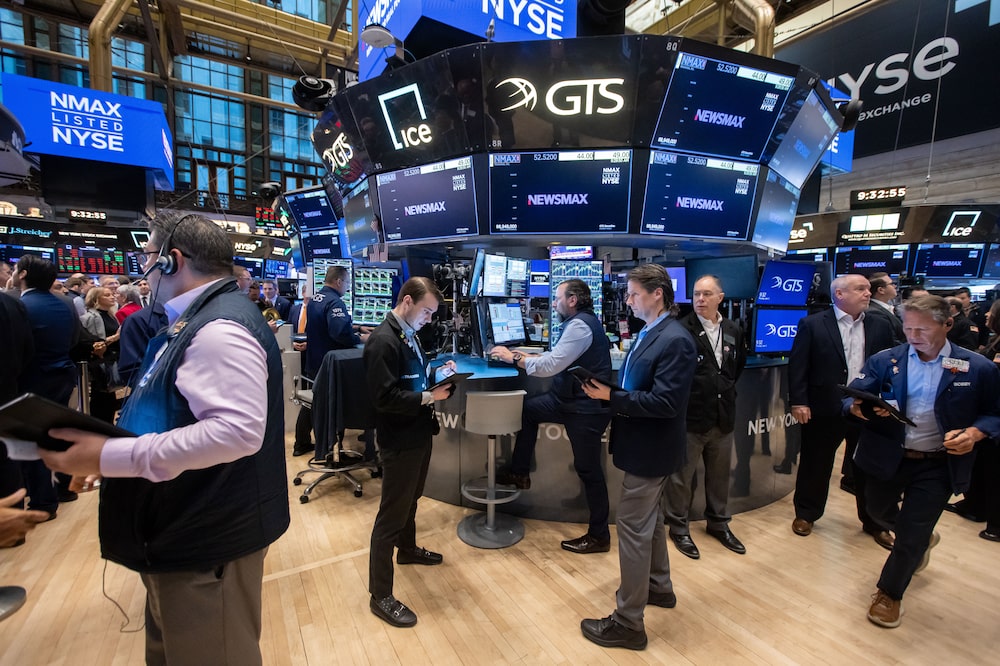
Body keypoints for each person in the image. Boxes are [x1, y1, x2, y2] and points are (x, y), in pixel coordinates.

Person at [40, 211, 290, 664]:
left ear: (172, 261)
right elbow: (174, 412)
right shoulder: (197, 319)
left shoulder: (219, 329)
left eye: (148, 258)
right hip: (182, 533)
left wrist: (116, 455)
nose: (144, 269)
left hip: (206, 539)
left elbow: (236, 432)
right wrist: (105, 458)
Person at [844, 295, 1000, 628]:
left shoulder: (978, 367)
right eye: (908, 327)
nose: (913, 335)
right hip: (888, 456)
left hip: (938, 463)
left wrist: (975, 433)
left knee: (911, 534)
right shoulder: (885, 360)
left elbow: (994, 414)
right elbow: (854, 396)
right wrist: (856, 407)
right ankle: (920, 538)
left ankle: (890, 593)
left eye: (922, 329)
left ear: (947, 325)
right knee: (876, 511)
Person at [578, 264, 697, 651]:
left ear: (657, 293)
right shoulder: (652, 332)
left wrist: (610, 397)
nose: (627, 300)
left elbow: (666, 402)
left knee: (631, 528)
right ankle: (658, 587)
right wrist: (612, 391)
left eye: (632, 293)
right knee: (652, 521)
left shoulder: (675, 339)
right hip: (645, 445)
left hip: (652, 449)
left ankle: (629, 622)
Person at [491, 279, 613, 554]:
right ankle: (520, 473)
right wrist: (527, 356)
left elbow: (550, 366)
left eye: (558, 298)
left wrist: (514, 358)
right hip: (566, 401)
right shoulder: (578, 323)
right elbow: (559, 357)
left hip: (585, 408)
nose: (554, 303)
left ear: (572, 300)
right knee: (529, 410)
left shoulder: (580, 325)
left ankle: (599, 536)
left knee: (589, 470)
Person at [364, 277, 456, 628]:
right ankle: (380, 594)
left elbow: (410, 378)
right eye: (427, 311)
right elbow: (384, 400)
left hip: (417, 433)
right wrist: (432, 397)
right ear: (407, 301)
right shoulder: (382, 341)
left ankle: (409, 549)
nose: (429, 318)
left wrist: (435, 374)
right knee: (392, 513)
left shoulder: (406, 333)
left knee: (412, 499)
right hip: (399, 439)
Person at [787, 274, 897, 547]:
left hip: (867, 407)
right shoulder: (813, 324)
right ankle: (806, 514)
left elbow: (891, 366)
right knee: (816, 463)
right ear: (839, 294)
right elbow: (799, 365)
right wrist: (799, 401)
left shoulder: (880, 325)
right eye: (860, 289)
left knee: (869, 468)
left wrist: (889, 400)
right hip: (825, 406)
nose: (867, 293)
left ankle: (875, 522)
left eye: (869, 289)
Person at [663, 275, 747, 560]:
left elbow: (736, 368)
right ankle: (678, 527)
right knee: (681, 479)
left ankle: (719, 524)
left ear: (720, 298)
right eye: (697, 294)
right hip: (690, 417)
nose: (700, 299)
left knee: (720, 476)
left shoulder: (734, 329)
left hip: (723, 416)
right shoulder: (680, 329)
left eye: (707, 294)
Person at [12, 255, 80, 517]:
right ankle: (66, 487)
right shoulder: (65, 303)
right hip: (63, 374)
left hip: (32, 379)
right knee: (59, 434)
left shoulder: (19, 305)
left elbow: (18, 347)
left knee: (32, 441)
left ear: (23, 274)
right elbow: (74, 340)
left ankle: (43, 502)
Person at [296, 267, 371, 458]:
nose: (347, 287)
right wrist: (360, 338)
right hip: (329, 366)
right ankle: (333, 450)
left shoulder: (316, 299)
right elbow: (339, 332)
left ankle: (301, 443)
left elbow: (326, 323)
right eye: (347, 283)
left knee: (313, 403)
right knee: (333, 404)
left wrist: (356, 325)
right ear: (338, 281)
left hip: (315, 361)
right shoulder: (335, 302)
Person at [79, 286, 123, 424]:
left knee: (110, 398)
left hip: (112, 359)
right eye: (107, 295)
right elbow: (96, 344)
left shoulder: (111, 315)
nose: (112, 296)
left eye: (112, 294)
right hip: (100, 363)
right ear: (96, 299)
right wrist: (115, 337)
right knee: (101, 398)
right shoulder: (92, 317)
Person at [866, 273, 904, 343]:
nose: (895, 286)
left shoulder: (890, 308)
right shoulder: (874, 313)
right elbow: (891, 341)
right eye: (891, 284)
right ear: (881, 290)